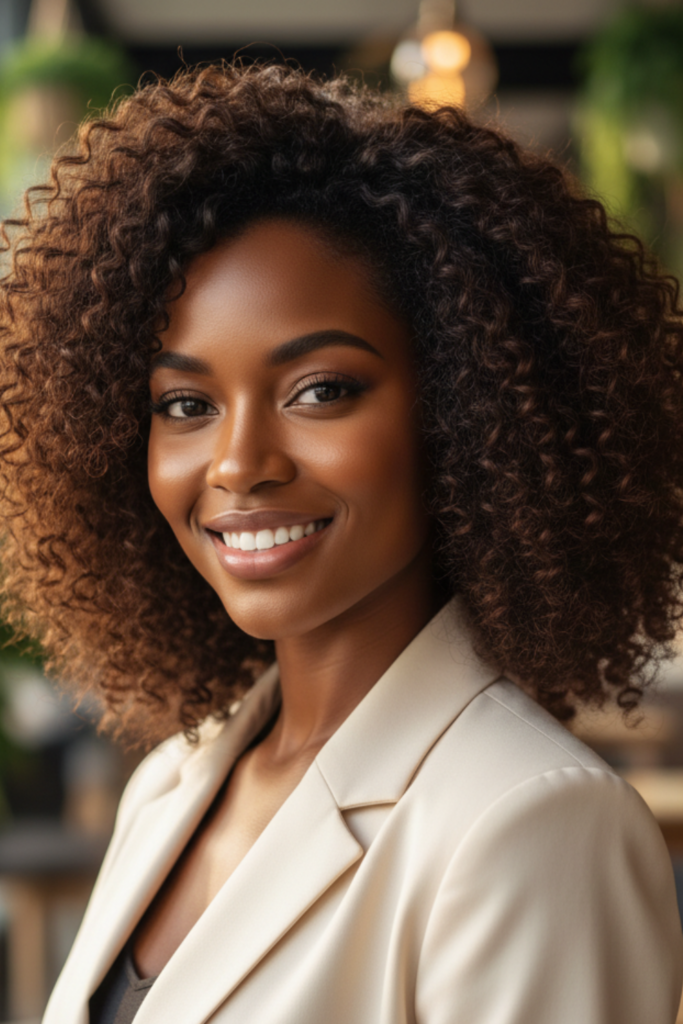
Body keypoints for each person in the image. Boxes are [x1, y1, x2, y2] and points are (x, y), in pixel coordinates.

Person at [1, 62, 682, 1024]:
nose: (238, 464)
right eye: (186, 405)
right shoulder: (173, 783)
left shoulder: (527, 822)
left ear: (463, 409)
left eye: (320, 389)